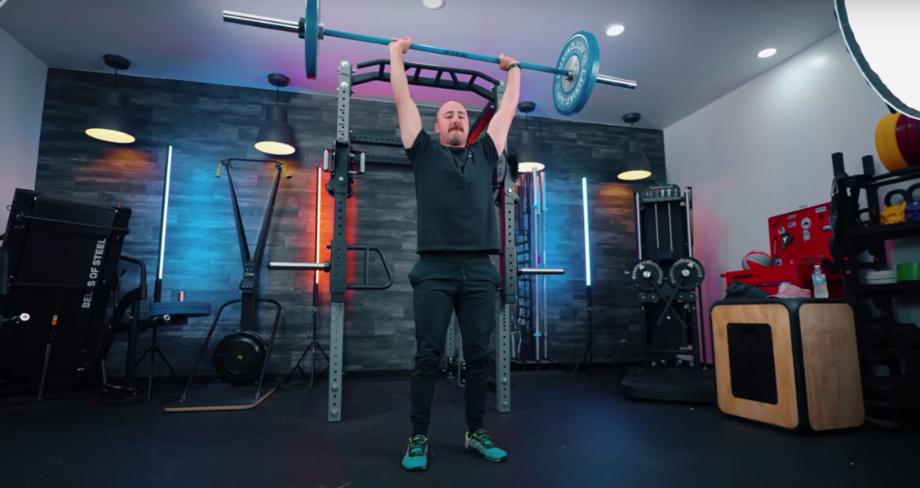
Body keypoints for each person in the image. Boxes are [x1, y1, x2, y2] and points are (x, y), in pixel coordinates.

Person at [388, 36, 520, 472]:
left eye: (462, 113)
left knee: (479, 355)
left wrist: (513, 70)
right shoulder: (423, 151)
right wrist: (396, 56)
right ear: (438, 126)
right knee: (429, 355)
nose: (457, 117)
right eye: (449, 114)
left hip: (481, 270)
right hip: (435, 269)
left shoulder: (485, 153)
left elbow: (507, 112)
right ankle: (418, 436)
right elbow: (403, 101)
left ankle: (475, 432)